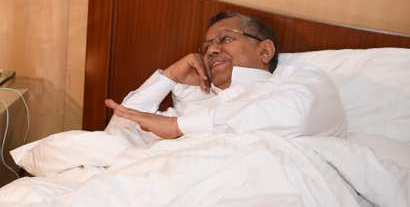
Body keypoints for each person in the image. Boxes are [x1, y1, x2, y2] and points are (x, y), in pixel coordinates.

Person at [106, 11, 347, 140]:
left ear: (265, 51)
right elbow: (119, 132)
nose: (211, 50)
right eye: (206, 47)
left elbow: (295, 116)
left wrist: (178, 127)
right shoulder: (196, 99)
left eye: (225, 39)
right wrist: (169, 77)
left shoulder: (302, 82)